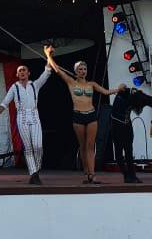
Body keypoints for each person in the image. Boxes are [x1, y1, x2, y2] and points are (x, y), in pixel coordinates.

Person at [45, 48, 124, 184]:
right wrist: (48, 55)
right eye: (80, 69)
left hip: (91, 115)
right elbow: (57, 69)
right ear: (76, 71)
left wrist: (118, 89)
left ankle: (92, 174)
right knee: (82, 146)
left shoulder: (91, 84)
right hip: (78, 116)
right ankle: (86, 172)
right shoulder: (71, 82)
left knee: (90, 145)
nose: (83, 71)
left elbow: (105, 92)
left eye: (84, 69)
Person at [0, 51, 52, 185]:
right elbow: (5, 102)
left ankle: (36, 170)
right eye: (19, 71)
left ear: (28, 73)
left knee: (38, 146)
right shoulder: (14, 87)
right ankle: (34, 174)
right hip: (22, 116)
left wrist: (49, 56)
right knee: (28, 147)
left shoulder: (35, 85)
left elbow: (47, 72)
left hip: (34, 116)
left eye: (24, 70)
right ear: (17, 74)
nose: (22, 72)